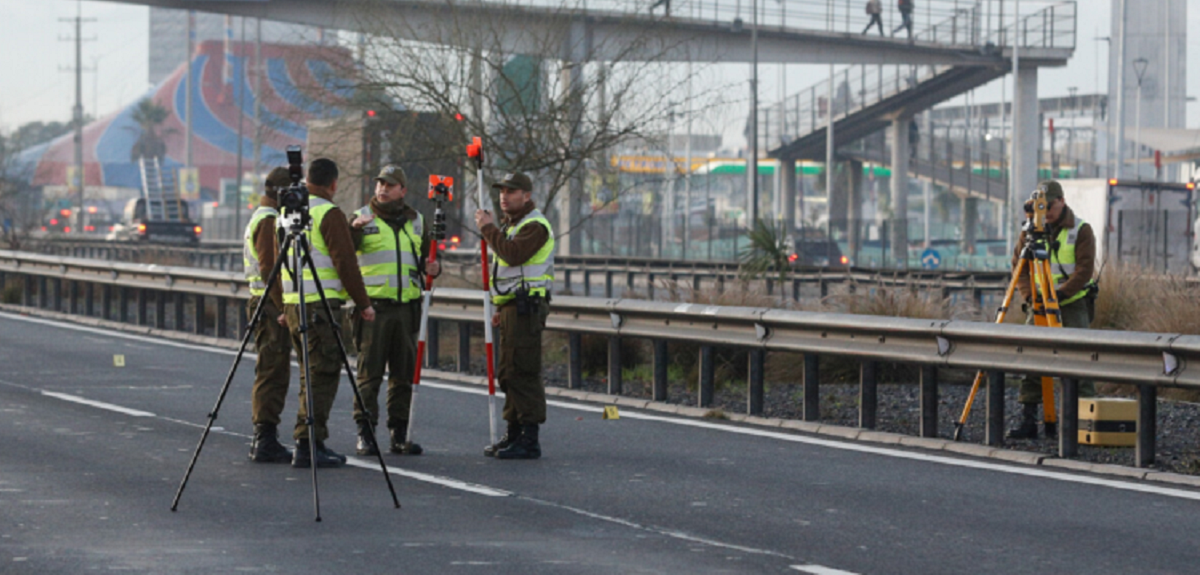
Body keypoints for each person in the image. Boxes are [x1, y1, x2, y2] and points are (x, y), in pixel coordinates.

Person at [281, 158, 375, 468]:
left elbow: (279, 260)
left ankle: (306, 438)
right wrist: (363, 303)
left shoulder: (288, 211)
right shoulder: (328, 212)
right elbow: (345, 262)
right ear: (333, 184)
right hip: (319, 305)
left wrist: (282, 304)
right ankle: (309, 442)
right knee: (322, 373)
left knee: (308, 373)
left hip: (294, 303)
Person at [348, 165, 440, 456]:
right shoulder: (361, 218)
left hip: (406, 309)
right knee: (369, 375)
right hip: (373, 310)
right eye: (380, 184)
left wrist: (434, 268)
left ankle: (399, 433)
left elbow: (428, 257)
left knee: (403, 376)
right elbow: (344, 254)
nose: (382, 189)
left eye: (389, 185)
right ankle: (365, 433)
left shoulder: (416, 221)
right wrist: (354, 230)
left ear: (402, 190)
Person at [1008, 180, 1098, 439]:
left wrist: (1059, 295)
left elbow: (1084, 270)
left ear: (1062, 201)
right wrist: (1030, 296)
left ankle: (1083, 424)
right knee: (1032, 360)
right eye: (1041, 206)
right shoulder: (1029, 232)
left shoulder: (1081, 230)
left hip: (1072, 304)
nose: (1045, 212)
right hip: (1038, 305)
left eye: (1050, 206)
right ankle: (1030, 421)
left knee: (1079, 363)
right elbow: (1019, 268)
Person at [474, 172, 555, 460]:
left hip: (526, 307)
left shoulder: (534, 226)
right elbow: (511, 271)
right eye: (502, 192)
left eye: (511, 191)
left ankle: (529, 438)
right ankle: (514, 432)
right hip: (512, 306)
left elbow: (512, 255)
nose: (504, 197)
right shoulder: (513, 225)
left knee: (524, 371)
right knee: (509, 371)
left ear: (527, 195)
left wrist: (487, 229)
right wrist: (500, 306)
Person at [245, 167, 295, 463]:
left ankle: (265, 435)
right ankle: (264, 437)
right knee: (272, 370)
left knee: (273, 368)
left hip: (263, 302)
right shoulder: (268, 221)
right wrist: (281, 308)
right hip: (268, 306)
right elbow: (269, 269)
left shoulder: (262, 215)